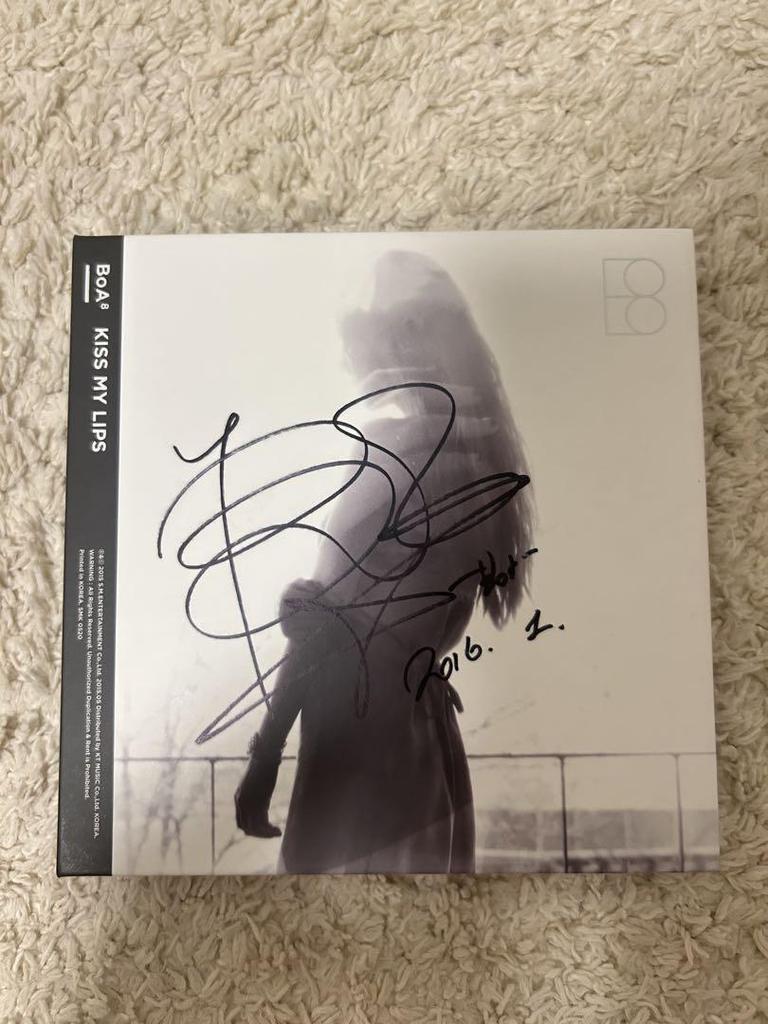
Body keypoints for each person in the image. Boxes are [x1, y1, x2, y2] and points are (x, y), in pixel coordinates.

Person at [235, 251, 533, 873]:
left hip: (359, 746)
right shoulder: (483, 461)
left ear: (393, 341)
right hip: (425, 745)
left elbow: (319, 628)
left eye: (362, 331)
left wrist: (264, 758)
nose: (354, 356)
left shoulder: (390, 459)